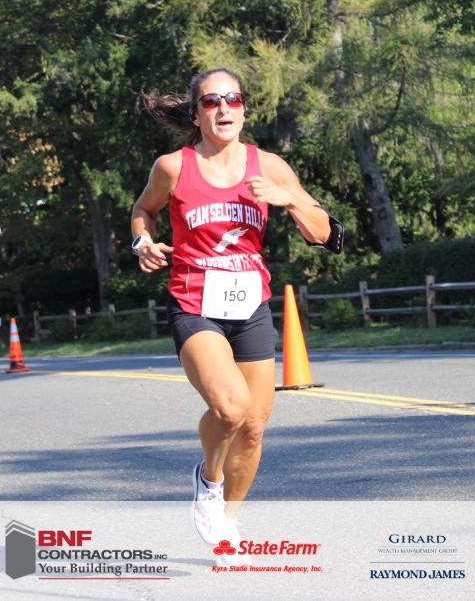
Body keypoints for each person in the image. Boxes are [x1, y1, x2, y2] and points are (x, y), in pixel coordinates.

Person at [130, 68, 343, 561]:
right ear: (196, 114)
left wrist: (290, 199)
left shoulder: (269, 165)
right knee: (230, 407)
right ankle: (208, 481)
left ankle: (226, 522)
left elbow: (326, 235)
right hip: (194, 302)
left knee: (252, 426)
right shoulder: (173, 167)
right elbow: (144, 211)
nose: (223, 108)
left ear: (244, 109)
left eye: (233, 99)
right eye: (211, 101)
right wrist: (142, 242)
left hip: (250, 305)